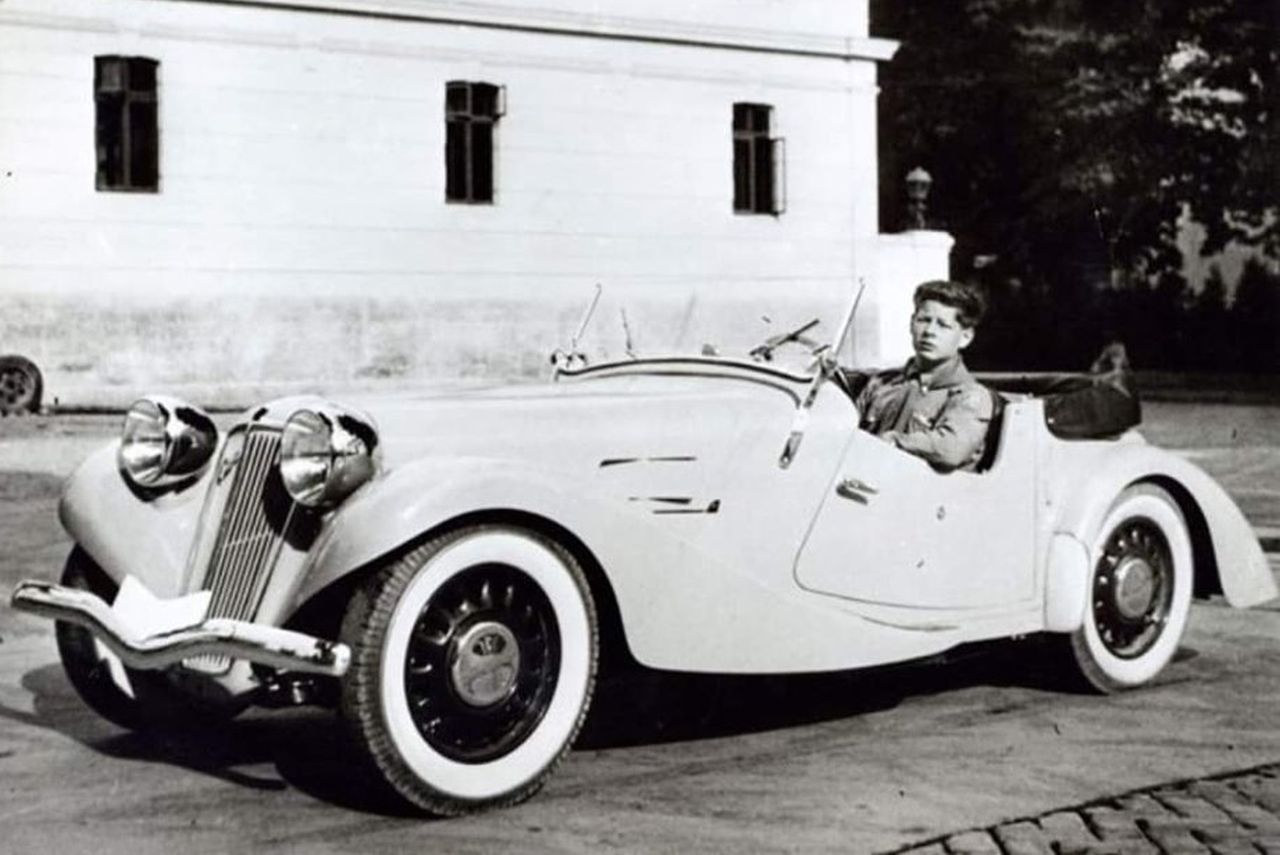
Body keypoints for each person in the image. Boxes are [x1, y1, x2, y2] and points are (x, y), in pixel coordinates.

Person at [854, 279, 993, 472]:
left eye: (943, 325)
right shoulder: (881, 384)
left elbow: (951, 449)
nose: (929, 332)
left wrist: (896, 440)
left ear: (965, 337)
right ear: (911, 323)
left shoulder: (970, 396)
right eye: (924, 320)